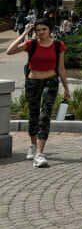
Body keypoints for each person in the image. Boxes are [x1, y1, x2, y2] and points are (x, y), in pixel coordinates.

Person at [5, 18, 70, 167]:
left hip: (51, 81)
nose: (41, 32)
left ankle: (40, 154)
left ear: (50, 30)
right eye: (38, 30)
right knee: (33, 116)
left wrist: (66, 88)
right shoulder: (31, 44)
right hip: (33, 82)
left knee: (45, 116)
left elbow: (61, 68)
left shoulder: (58, 46)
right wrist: (25, 33)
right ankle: (33, 145)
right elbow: (9, 51)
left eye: (44, 29)